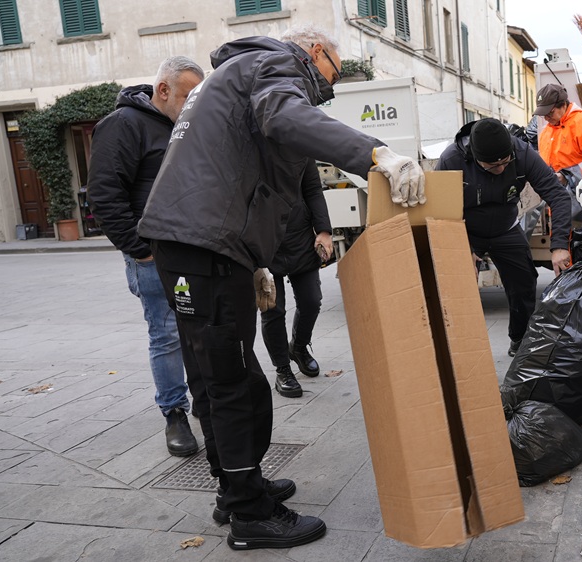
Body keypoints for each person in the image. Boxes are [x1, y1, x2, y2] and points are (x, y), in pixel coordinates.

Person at [136, 24, 424, 551]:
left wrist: (253, 262)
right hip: (203, 245)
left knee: (223, 375)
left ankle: (235, 489)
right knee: (232, 382)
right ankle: (249, 515)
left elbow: (247, 175)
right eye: (334, 72)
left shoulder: (238, 70)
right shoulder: (274, 62)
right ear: (316, 52)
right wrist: (376, 154)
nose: (330, 86)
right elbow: (285, 117)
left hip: (199, 244)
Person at [86, 56, 204, 458]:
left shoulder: (184, 125)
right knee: (166, 333)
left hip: (191, 249)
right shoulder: (122, 124)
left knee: (197, 329)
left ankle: (204, 401)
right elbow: (104, 195)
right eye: (187, 96)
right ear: (163, 90)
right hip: (152, 255)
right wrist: (139, 250)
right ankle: (175, 413)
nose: (192, 104)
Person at [436, 118, 572, 357]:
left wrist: (559, 245)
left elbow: (558, 195)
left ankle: (520, 339)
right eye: (492, 166)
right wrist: (464, 248)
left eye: (505, 162)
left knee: (524, 282)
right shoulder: (451, 160)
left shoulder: (522, 152)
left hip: (505, 227)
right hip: (465, 230)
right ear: (476, 157)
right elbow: (440, 211)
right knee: (456, 286)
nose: (500, 169)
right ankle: (459, 350)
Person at [259, 163, 334, 397]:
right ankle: (283, 369)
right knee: (272, 309)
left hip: (300, 237)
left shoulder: (300, 147)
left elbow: (313, 189)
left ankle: (299, 347)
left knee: (311, 301)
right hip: (263, 242)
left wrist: (323, 230)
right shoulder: (248, 148)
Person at [535, 83, 582, 213]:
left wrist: (567, 176)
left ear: (563, 105)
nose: (546, 118)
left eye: (550, 113)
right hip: (559, 206)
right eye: (543, 114)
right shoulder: (546, 132)